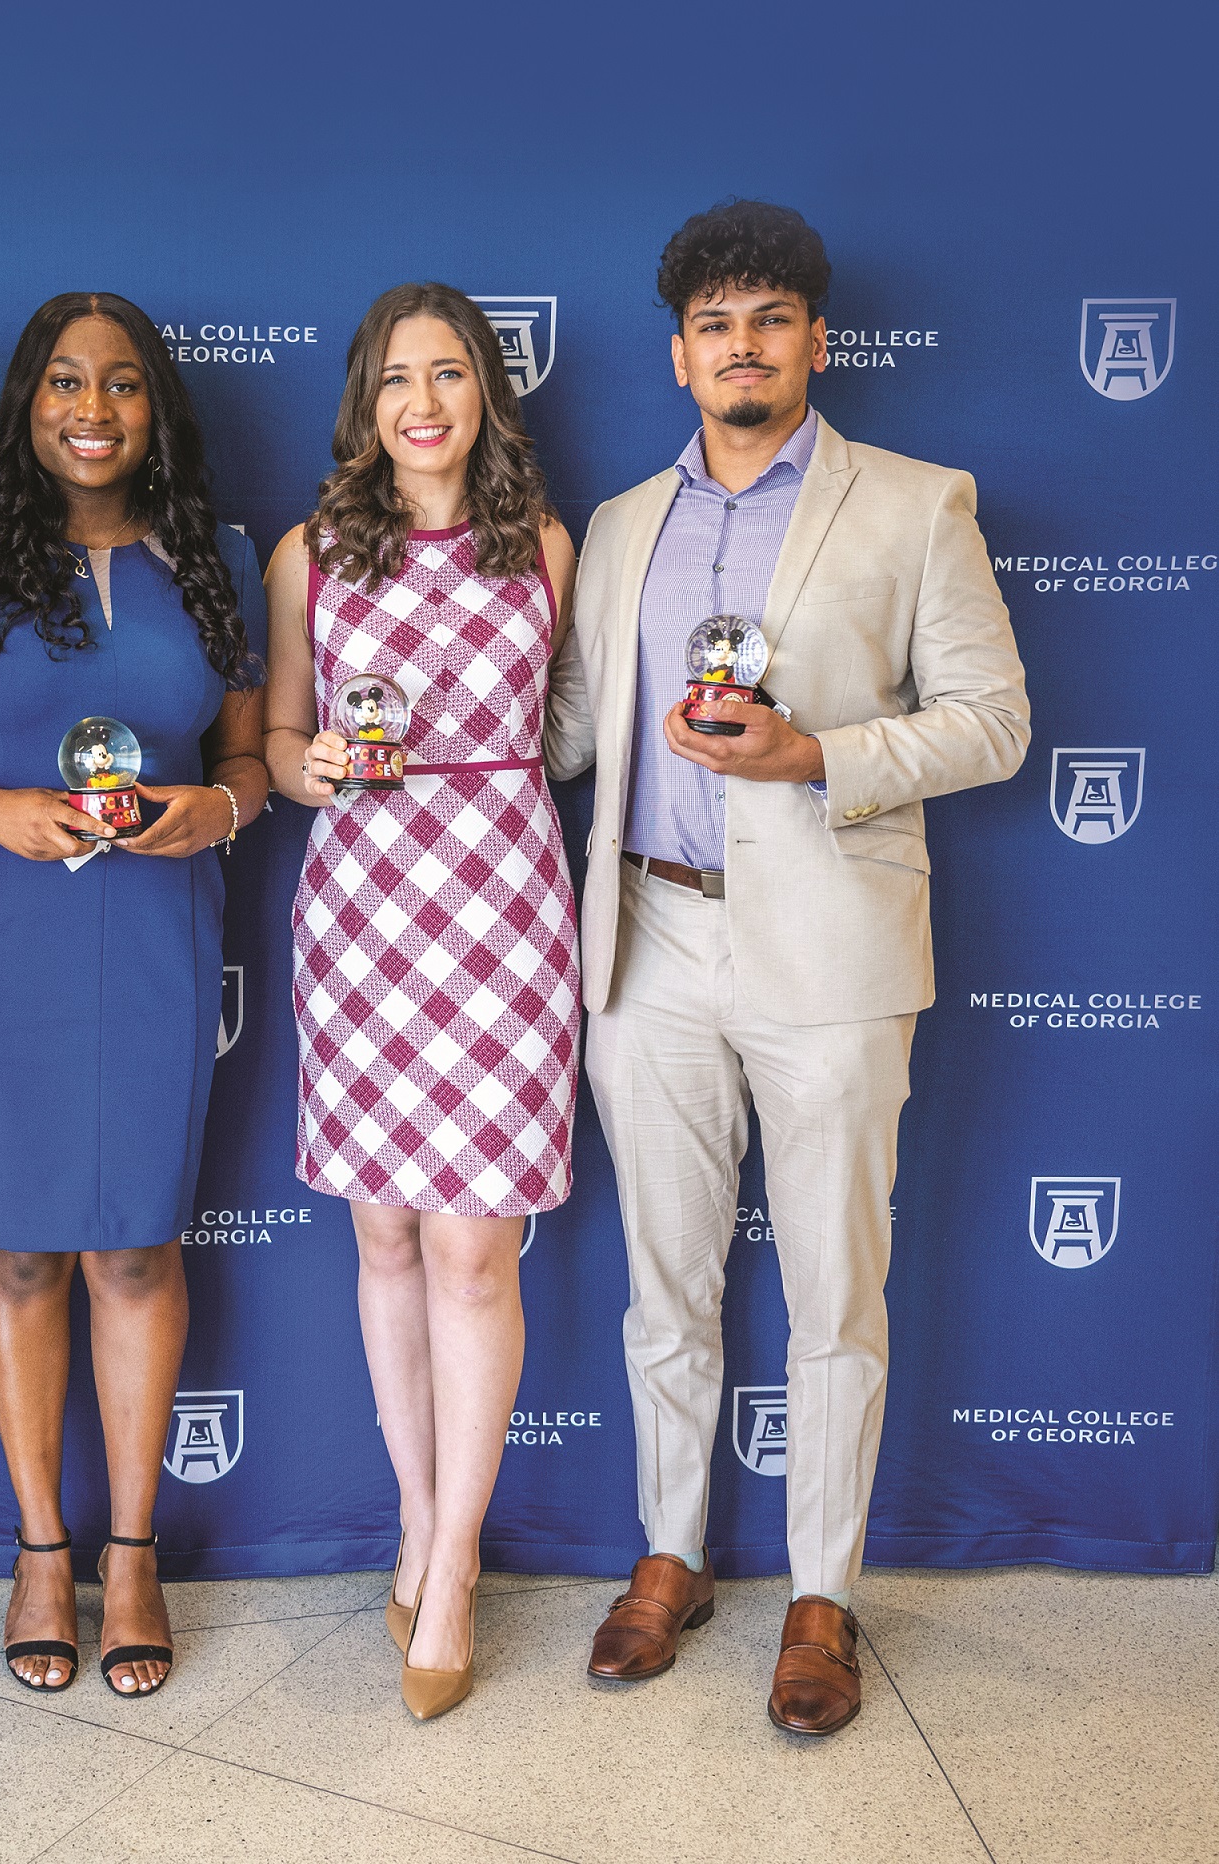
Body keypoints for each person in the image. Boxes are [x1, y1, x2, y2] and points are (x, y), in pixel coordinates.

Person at [546, 201, 1029, 1735]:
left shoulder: (913, 504)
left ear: (816, 339)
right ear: (674, 350)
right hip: (646, 933)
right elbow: (565, 731)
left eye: (765, 318)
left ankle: (821, 1593)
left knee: (834, 1290)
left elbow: (992, 722)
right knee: (662, 1283)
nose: (737, 346)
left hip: (827, 940)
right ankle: (669, 1553)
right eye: (710, 322)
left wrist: (814, 751)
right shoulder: (618, 525)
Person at [0, 292, 268, 1699]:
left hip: (158, 934)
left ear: (156, 408)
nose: (91, 408)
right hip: (3, 942)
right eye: (63, 382)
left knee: (135, 1249)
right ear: (26, 405)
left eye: (118, 383)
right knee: (20, 1250)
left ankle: (130, 1552)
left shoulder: (220, 561)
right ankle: (38, 1546)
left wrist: (206, 818)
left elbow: (251, 765)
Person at [263, 282, 580, 1721]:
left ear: (484, 396)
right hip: (363, 911)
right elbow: (272, 742)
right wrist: (305, 766)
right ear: (363, 402)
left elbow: (574, 732)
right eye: (396, 378)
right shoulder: (312, 552)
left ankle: (452, 1567)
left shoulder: (546, 549)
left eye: (449, 373)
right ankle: (411, 1513)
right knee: (383, 1232)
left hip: (502, 906)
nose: (423, 402)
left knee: (472, 1251)